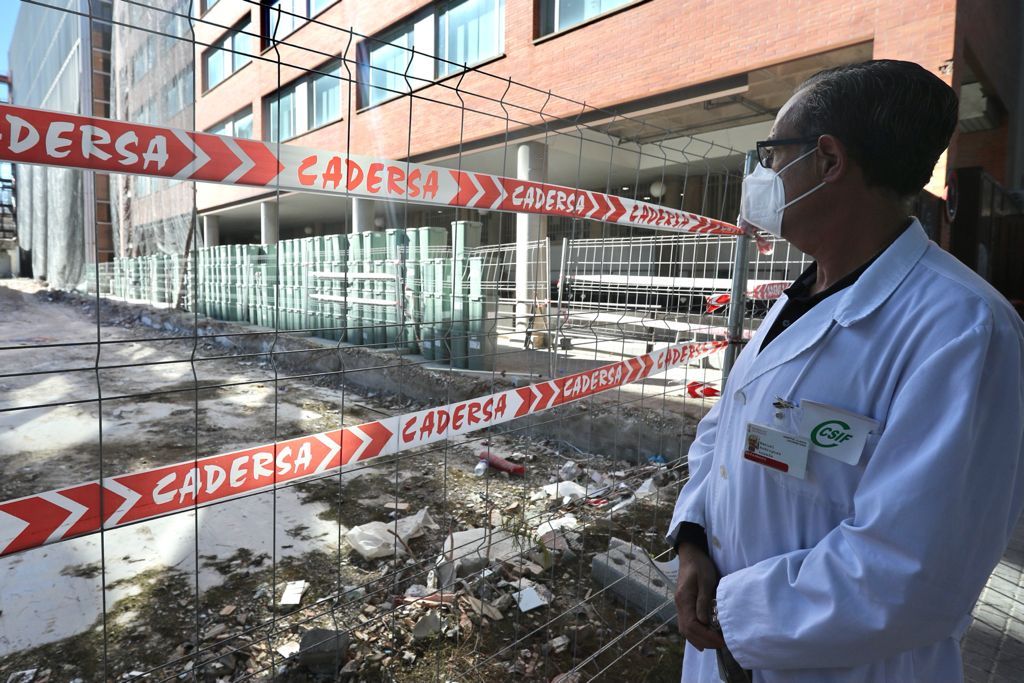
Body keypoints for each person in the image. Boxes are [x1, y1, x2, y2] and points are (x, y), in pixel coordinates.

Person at [667, 59, 1024, 682]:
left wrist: (736, 618)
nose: (763, 174)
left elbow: (915, 571)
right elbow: (725, 429)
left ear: (828, 161)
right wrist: (694, 538)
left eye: (772, 155)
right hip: (727, 650)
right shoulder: (796, 299)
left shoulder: (963, 329)